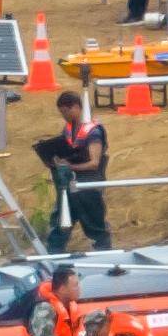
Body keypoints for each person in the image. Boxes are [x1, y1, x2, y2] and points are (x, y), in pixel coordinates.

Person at [40, 90, 110, 249]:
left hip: (87, 188)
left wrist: (70, 166)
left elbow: (94, 163)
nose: (64, 115)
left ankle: (105, 256)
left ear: (76, 107)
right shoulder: (69, 129)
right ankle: (54, 261)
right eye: (61, 112)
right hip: (67, 187)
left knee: (96, 228)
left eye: (66, 111)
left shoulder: (93, 132)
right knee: (59, 228)